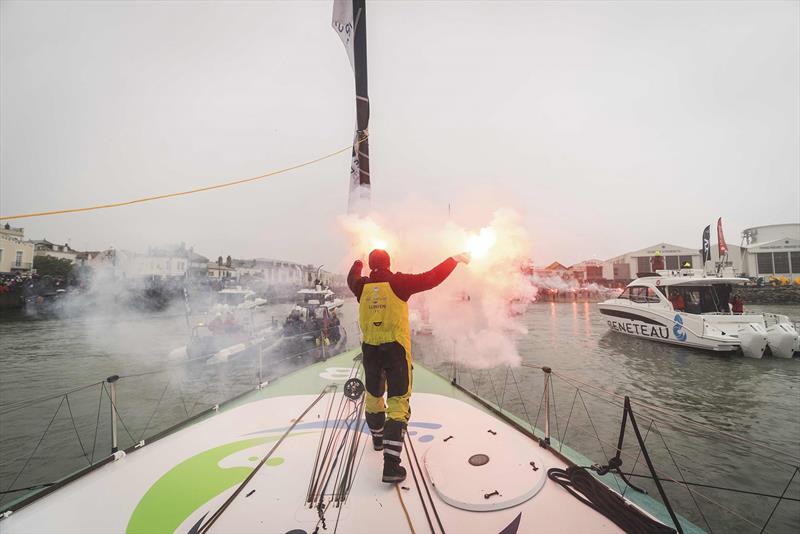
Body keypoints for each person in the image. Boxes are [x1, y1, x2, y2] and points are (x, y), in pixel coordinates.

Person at [348, 248, 469, 483]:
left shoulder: (360, 286)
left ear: (372, 265)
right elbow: (431, 278)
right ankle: (391, 465)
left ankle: (378, 439)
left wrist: (357, 262)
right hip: (395, 352)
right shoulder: (398, 282)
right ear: (389, 263)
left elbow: (351, 276)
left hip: (371, 352)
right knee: (398, 403)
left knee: (373, 398)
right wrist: (454, 259)